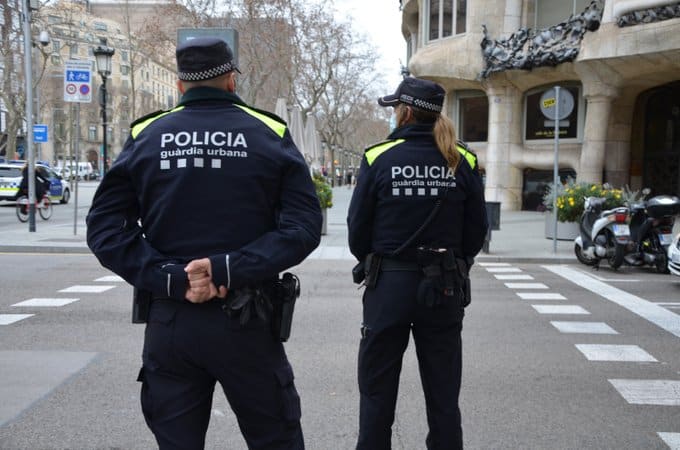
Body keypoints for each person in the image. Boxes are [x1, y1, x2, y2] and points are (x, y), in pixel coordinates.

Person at [86, 37, 322, 449]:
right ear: (231, 79)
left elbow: (104, 228)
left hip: (172, 317)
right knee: (275, 438)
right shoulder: (269, 133)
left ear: (180, 85)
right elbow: (303, 225)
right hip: (247, 317)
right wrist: (229, 267)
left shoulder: (147, 134)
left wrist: (172, 277)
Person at [347, 77, 488, 450]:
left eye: (396, 109)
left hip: (388, 287)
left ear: (405, 112)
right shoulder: (463, 159)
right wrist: (457, 264)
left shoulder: (378, 157)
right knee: (443, 396)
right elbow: (477, 232)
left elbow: (357, 231)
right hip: (442, 287)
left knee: (376, 394)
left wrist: (372, 260)